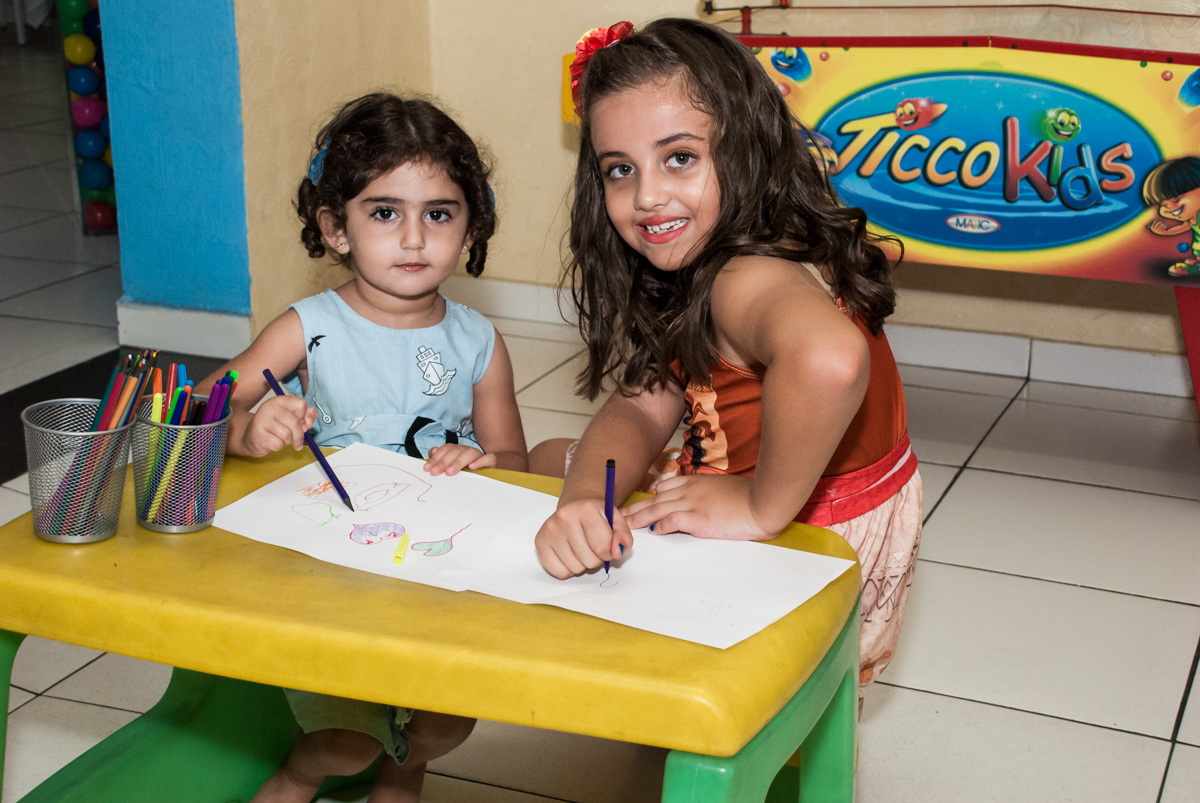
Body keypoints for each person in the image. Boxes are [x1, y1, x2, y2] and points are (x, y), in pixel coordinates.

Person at [530, 19, 922, 701]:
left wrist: (757, 506)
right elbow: (638, 403)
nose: (647, 195)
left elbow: (830, 358)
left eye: (678, 157)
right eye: (620, 170)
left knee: (544, 495)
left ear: (745, 150)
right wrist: (587, 499)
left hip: (797, 533)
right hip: (820, 506)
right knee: (556, 462)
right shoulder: (744, 245)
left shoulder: (745, 279)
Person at [197, 92, 526, 803]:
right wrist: (246, 434)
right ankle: (297, 771)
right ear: (335, 227)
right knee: (343, 745)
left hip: (440, 571)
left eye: (438, 214)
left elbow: (517, 461)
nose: (414, 239)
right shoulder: (307, 328)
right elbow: (192, 413)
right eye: (384, 213)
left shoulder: (478, 341)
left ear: (471, 229)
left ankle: (404, 768)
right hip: (330, 574)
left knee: (444, 726)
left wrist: (487, 463)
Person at [1144, 155, 1200, 277]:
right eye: (1163, 204)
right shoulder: (1192, 218)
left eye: (1178, 199)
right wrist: (1165, 232)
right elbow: (1182, 227)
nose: (1170, 207)